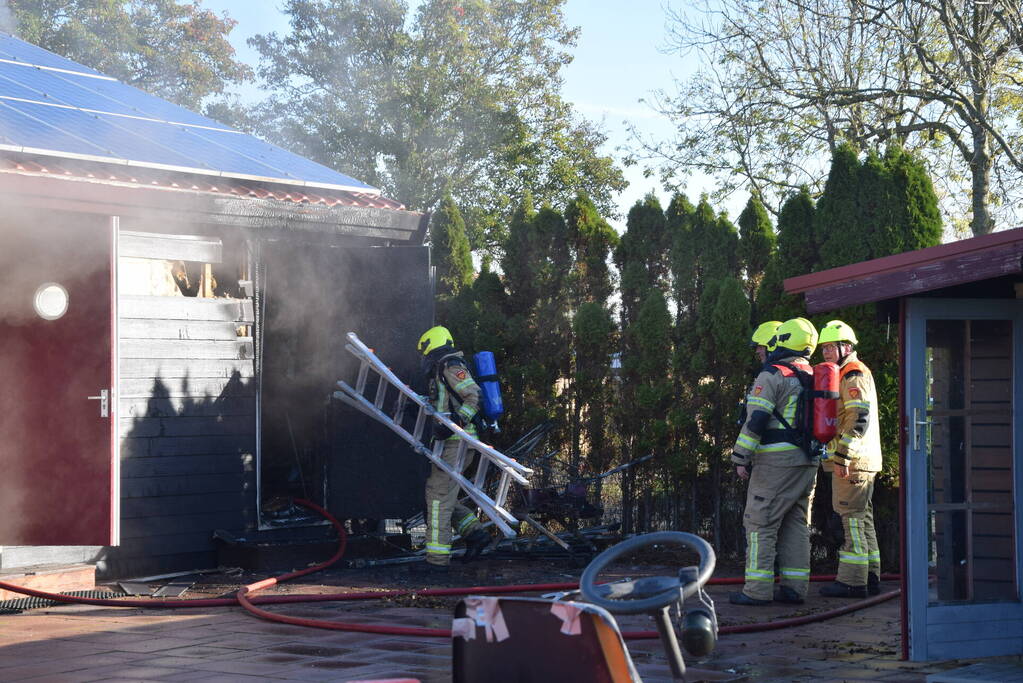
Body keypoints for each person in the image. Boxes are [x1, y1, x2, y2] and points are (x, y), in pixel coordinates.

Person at [730, 317, 820, 606]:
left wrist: (741, 457)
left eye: (760, 348)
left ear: (775, 344)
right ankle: (795, 589)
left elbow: (756, 420)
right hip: (807, 461)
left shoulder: (772, 375)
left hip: (775, 463)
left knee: (759, 522)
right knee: (796, 523)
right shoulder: (813, 373)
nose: (759, 354)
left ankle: (756, 591)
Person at [816, 320, 883, 598]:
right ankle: (870, 575)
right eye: (823, 348)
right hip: (860, 460)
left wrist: (842, 456)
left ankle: (852, 582)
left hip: (853, 462)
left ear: (846, 347)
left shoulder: (852, 373)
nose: (826, 352)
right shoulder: (848, 372)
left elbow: (858, 419)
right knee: (862, 518)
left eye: (831, 346)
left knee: (850, 520)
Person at [417, 325, 491, 573]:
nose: (423, 358)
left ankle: (436, 562)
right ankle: (475, 533)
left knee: (437, 497)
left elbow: (474, 396)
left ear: (430, 345)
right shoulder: (441, 368)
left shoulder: (450, 364)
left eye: (424, 352)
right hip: (450, 443)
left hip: (457, 442)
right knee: (442, 495)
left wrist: (456, 424)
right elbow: (443, 401)